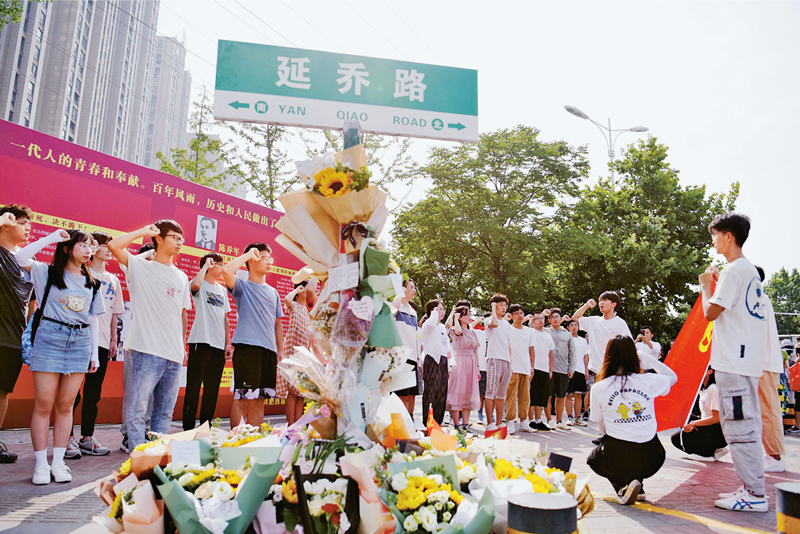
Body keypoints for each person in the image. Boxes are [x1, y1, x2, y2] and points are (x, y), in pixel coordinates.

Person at [16, 229, 105, 485]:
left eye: (91, 246)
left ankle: (58, 462)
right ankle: (41, 464)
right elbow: (21, 257)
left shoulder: (92, 281)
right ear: (67, 248)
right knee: (44, 403)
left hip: (79, 341)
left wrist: (93, 354)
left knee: (66, 405)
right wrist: (51, 238)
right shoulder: (48, 273)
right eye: (83, 245)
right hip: (49, 337)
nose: (89, 250)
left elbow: (92, 318)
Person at [700, 212, 769, 512]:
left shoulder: (734, 271)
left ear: (729, 236)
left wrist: (706, 285)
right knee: (742, 424)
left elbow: (710, 313)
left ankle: (754, 493)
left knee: (740, 427)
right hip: (745, 359)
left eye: (716, 234)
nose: (713, 239)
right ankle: (751, 488)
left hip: (734, 361)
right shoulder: (749, 271)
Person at [107, 221, 192, 449]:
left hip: (173, 354)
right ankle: (136, 457)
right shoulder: (140, 266)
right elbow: (114, 245)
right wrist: (143, 232)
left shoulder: (181, 277)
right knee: (137, 409)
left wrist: (182, 346)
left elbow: (181, 314)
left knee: (164, 413)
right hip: (146, 350)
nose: (179, 242)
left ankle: (155, 458)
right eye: (174, 237)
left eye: (181, 238)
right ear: (159, 239)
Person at [587, 336, 677, 505]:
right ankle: (638, 486)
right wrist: (650, 360)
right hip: (653, 457)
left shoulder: (599, 388)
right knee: (637, 438)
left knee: (594, 459)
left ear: (608, 356)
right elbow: (672, 377)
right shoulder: (648, 380)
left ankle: (623, 487)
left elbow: (602, 427)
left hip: (619, 455)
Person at [66, 232, 125, 459]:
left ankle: (86, 438)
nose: (109, 249)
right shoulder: (81, 274)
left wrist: (112, 339)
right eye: (105, 245)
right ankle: (66, 439)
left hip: (101, 344)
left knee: (93, 394)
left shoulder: (113, 280)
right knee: (72, 394)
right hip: (80, 341)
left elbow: (113, 315)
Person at [221, 244, 284, 427]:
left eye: (269, 258)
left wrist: (280, 351)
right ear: (252, 260)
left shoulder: (274, 292)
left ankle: (253, 443)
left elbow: (277, 323)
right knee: (243, 398)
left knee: (259, 400)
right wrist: (247, 254)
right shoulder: (242, 287)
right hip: (247, 348)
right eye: (264, 257)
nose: (268, 262)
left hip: (268, 351)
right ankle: (235, 443)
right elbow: (226, 271)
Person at [0, 205, 36, 463]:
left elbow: (32, 303)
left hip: (13, 339)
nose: (27, 228)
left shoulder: (25, 260)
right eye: (22, 222)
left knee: (2, 392)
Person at [183, 253, 232, 431]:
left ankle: (206, 427)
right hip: (200, 342)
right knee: (193, 389)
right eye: (217, 264)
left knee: (212, 390)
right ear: (208, 265)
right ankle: (187, 429)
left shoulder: (222, 289)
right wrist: (205, 266)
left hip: (218, 346)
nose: (221, 267)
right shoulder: (200, 283)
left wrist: (227, 343)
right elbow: (194, 286)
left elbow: (226, 318)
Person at [118, 243, 155, 452]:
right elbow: (129, 262)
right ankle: (128, 434)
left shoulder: (163, 277)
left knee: (150, 394)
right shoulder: (135, 274)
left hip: (158, 344)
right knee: (134, 392)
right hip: (136, 342)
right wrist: (150, 253)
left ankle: (145, 431)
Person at [572, 291, 633, 418]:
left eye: (605, 300)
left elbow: (629, 345)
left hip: (614, 368)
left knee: (612, 399)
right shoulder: (594, 321)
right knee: (599, 399)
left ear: (614, 304)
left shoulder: (619, 323)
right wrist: (586, 305)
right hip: (596, 368)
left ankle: (613, 429)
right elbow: (576, 318)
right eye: (600, 300)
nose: (601, 303)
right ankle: (603, 431)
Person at [754, 265, 786, 473]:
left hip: (763, 363)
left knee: (768, 410)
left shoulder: (758, 299)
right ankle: (770, 453)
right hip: (763, 363)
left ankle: (775, 456)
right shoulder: (760, 298)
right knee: (761, 411)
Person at [277, 279, 316, 426]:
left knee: (301, 393)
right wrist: (297, 289)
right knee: (292, 391)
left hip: (304, 355)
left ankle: (298, 425)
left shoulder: (307, 311)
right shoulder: (293, 306)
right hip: (292, 353)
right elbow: (287, 299)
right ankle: (289, 424)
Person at [671, 367, 728, 461]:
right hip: (709, 429)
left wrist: (694, 423)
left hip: (718, 430)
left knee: (679, 434)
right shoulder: (703, 389)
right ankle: (712, 450)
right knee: (681, 422)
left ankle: (707, 454)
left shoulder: (713, 389)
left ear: (710, 371)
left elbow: (716, 418)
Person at [446, 303, 481, 431]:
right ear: (459, 317)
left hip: (471, 362)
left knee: (468, 393)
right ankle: (457, 424)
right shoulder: (455, 331)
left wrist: (477, 368)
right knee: (457, 391)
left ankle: (466, 424)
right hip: (460, 361)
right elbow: (458, 330)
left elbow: (476, 351)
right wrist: (455, 315)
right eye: (465, 315)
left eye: (469, 314)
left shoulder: (472, 332)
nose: (468, 316)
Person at [392, 279, 420, 418]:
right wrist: (399, 292)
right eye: (411, 287)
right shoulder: (396, 307)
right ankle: (400, 423)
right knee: (401, 394)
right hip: (401, 357)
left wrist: (419, 358)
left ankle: (410, 420)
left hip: (413, 357)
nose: (414, 290)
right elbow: (391, 311)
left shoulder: (413, 312)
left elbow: (416, 336)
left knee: (411, 394)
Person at [544, 308, 576, 430]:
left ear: (561, 319)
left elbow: (572, 353)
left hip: (563, 370)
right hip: (549, 369)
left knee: (561, 396)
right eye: (552, 317)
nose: (555, 319)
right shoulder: (545, 332)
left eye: (557, 317)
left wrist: (571, 369)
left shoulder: (567, 335)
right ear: (549, 320)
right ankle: (548, 420)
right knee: (548, 396)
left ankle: (558, 421)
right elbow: (532, 327)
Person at [505, 305, 535, 434]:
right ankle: (510, 421)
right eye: (516, 313)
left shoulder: (529, 331)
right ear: (511, 316)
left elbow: (531, 350)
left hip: (525, 367)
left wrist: (532, 366)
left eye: (521, 313)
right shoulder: (508, 329)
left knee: (525, 396)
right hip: (513, 368)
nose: (520, 315)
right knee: (511, 396)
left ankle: (524, 421)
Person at [484, 293, 512, 432]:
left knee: (501, 394)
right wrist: (493, 308)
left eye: (505, 305)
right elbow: (494, 324)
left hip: (506, 361)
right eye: (500, 305)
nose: (504, 308)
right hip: (494, 359)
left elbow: (508, 343)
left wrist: (511, 361)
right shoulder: (489, 319)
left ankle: (500, 422)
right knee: (491, 392)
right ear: (494, 306)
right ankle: (490, 422)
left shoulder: (506, 324)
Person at [420, 300, 449, 426]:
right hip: (431, 359)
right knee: (431, 391)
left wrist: (449, 367)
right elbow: (431, 322)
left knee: (442, 391)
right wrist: (434, 314)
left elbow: (447, 347)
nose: (442, 312)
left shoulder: (442, 327)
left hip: (443, 361)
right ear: (432, 311)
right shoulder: (428, 324)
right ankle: (428, 420)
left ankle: (438, 420)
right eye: (439, 309)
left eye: (442, 309)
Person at [526, 312, 554, 432]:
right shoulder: (530, 332)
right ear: (532, 321)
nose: (540, 321)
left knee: (541, 396)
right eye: (537, 319)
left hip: (544, 369)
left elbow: (551, 354)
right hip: (532, 368)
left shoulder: (548, 335)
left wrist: (550, 369)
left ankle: (538, 420)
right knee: (531, 395)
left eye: (542, 318)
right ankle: (530, 420)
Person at [566, 320, 589, 427]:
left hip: (580, 370)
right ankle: (569, 417)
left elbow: (585, 357)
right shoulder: (566, 339)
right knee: (568, 395)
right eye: (571, 325)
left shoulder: (583, 341)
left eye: (576, 325)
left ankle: (578, 417)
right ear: (568, 328)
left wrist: (586, 370)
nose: (574, 327)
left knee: (579, 395)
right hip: (569, 369)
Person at [474, 316, 488, 423]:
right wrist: (479, 320)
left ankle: (490, 415)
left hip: (493, 367)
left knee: (490, 394)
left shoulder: (497, 333)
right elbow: (468, 327)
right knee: (480, 393)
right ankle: (480, 413)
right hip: (482, 367)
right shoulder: (479, 333)